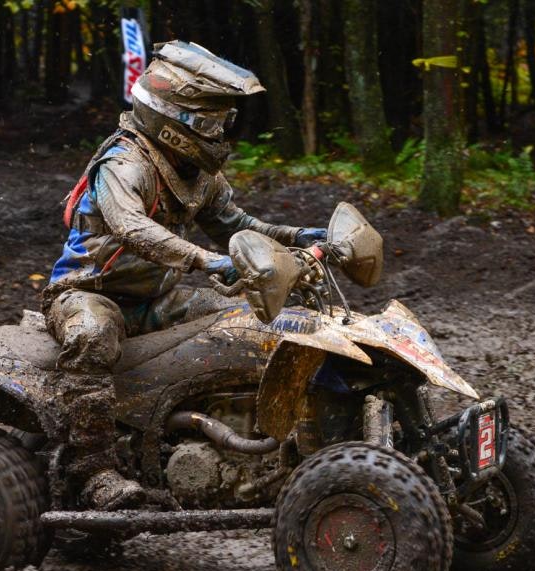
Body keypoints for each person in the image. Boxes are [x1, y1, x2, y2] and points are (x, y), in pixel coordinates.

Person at [42, 41, 326, 510]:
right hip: (88, 294)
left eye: (222, 123)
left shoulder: (195, 172)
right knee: (92, 337)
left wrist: (299, 236)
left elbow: (236, 225)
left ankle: (254, 440)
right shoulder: (123, 163)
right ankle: (92, 471)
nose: (219, 134)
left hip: (157, 300)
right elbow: (132, 228)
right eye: (210, 125)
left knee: (251, 320)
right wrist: (206, 260)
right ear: (172, 121)